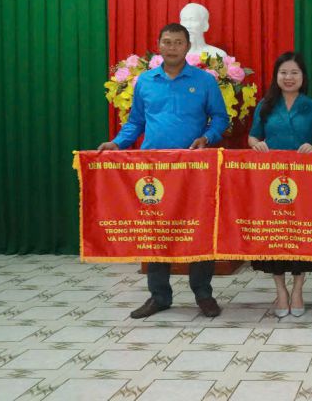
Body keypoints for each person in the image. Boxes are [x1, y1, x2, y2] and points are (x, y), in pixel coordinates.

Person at [97, 23, 229, 319]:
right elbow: (135, 123)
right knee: (156, 231)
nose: (172, 47)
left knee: (199, 227)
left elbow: (220, 118)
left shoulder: (204, 81)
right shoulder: (145, 81)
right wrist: (117, 144)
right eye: (167, 42)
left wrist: (207, 137)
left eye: (178, 42)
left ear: (187, 46)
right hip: (153, 170)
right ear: (159, 45)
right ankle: (159, 296)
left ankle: (203, 293)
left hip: (193, 167)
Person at [248, 52, 312, 318]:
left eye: (294, 72)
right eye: (284, 72)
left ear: (303, 77)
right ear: (276, 76)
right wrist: (257, 144)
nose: (289, 77)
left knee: (301, 235)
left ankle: (298, 289)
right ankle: (280, 290)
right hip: (271, 180)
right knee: (275, 234)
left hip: (304, 181)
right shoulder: (266, 105)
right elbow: (252, 137)